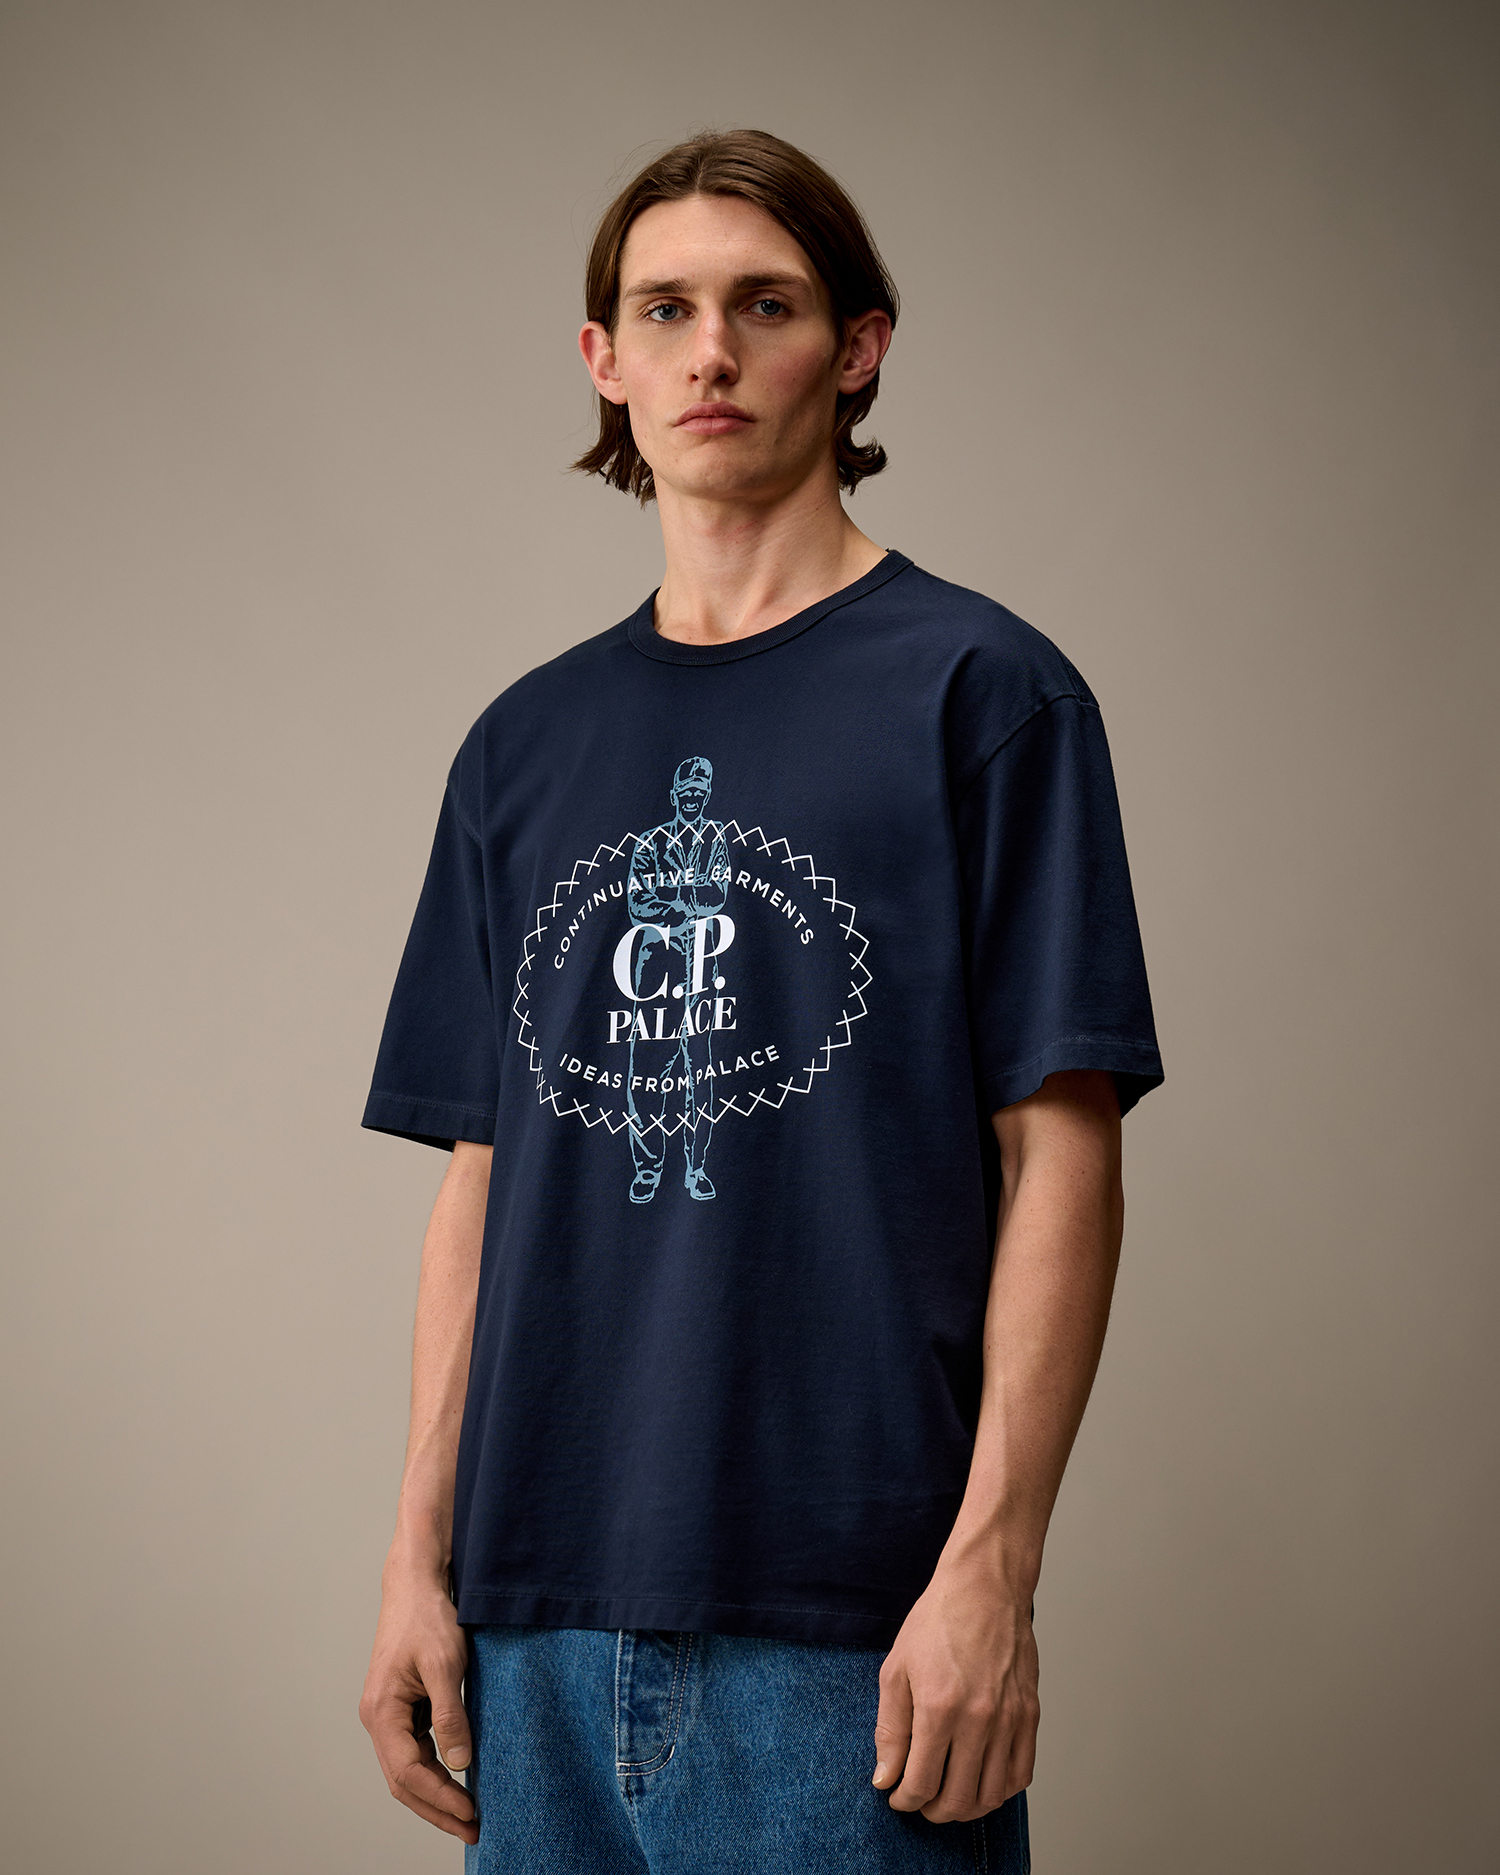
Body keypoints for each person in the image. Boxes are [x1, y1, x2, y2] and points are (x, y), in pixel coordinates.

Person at [358, 128, 1162, 1874]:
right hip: (529, 1627)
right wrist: (417, 1561)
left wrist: (992, 1573)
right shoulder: (522, 745)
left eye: (765, 305)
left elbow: (1064, 1155)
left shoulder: (985, 694)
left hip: (848, 1629)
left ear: (858, 347)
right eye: (666, 309)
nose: (710, 351)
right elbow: (484, 1179)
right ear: (606, 360)